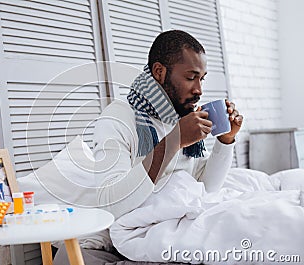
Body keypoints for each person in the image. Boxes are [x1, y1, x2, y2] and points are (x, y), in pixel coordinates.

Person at [93, 29, 243, 220]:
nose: (199, 90)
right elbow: (110, 205)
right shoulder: (117, 119)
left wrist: (225, 139)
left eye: (201, 79)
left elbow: (206, 188)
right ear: (159, 72)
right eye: (190, 78)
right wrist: (174, 140)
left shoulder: (179, 116)